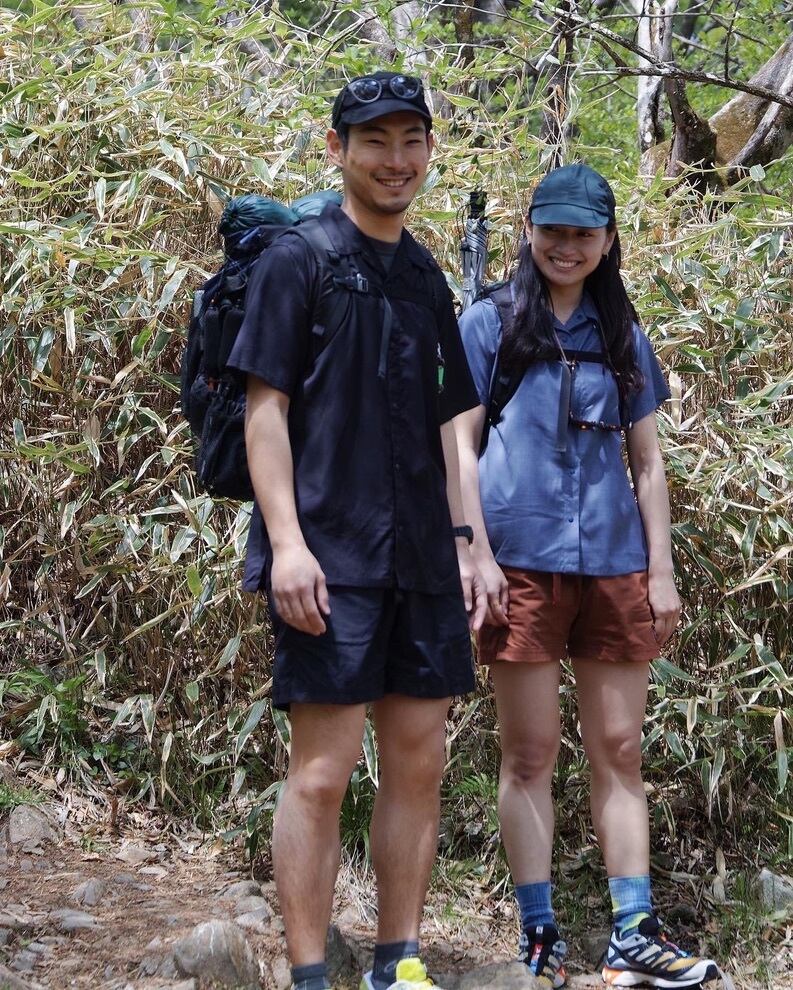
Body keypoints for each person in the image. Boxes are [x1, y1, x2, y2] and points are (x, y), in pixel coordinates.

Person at [226, 72, 486, 990]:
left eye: (410, 139)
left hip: (420, 552)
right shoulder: (299, 259)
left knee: (420, 761)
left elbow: (457, 425)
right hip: (329, 551)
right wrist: (286, 542)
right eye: (374, 140)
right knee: (323, 771)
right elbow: (266, 410)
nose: (395, 158)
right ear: (336, 150)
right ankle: (306, 971)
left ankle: (396, 958)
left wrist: (472, 544)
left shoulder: (424, 275)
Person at [455, 164, 722, 988]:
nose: (564, 247)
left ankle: (631, 934)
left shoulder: (621, 333)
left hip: (613, 561)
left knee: (619, 747)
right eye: (552, 230)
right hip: (520, 561)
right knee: (529, 752)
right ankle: (539, 936)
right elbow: (456, 446)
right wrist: (474, 555)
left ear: (607, 242)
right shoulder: (487, 324)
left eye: (582, 232)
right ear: (527, 230)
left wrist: (663, 570)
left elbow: (646, 463)